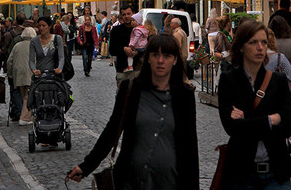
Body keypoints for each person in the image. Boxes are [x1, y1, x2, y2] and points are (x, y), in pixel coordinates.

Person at [67, 34, 199, 190]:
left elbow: (190, 146)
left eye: (167, 56)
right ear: (148, 58)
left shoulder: (184, 96)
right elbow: (112, 130)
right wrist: (86, 166)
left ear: (175, 60)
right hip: (131, 180)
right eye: (155, 55)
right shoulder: (131, 89)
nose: (161, 61)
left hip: (170, 181)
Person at [217, 19, 291, 190]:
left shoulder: (278, 81)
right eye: (253, 42)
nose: (260, 47)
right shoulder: (229, 80)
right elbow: (232, 128)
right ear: (241, 46)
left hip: (276, 173)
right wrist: (270, 119)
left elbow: (287, 127)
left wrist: (247, 119)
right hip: (242, 172)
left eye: (264, 42)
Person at [6, 27, 36, 125]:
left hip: (18, 73)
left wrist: (10, 73)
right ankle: (24, 118)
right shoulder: (34, 45)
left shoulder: (17, 45)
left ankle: (27, 116)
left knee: (24, 95)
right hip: (30, 73)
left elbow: (9, 61)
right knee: (28, 96)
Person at [108, 5, 137, 81]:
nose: (126, 16)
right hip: (122, 68)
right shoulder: (116, 30)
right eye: (124, 14)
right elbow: (112, 50)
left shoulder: (139, 29)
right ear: (121, 16)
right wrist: (123, 49)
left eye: (128, 14)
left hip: (137, 68)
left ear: (133, 14)